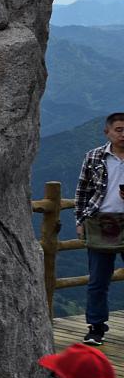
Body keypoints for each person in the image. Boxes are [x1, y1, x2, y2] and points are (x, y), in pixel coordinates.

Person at [70, 113, 124, 344]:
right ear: (107, 132)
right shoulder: (94, 157)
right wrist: (79, 221)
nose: (123, 134)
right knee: (98, 280)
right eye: (119, 130)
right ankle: (96, 327)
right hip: (100, 221)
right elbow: (82, 191)